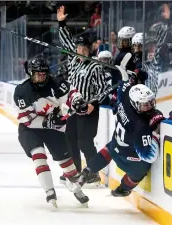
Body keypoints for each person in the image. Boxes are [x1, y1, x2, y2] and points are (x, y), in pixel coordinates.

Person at [13, 57, 89, 207]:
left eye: (44, 74)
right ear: (30, 73)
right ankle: (49, 191)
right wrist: (46, 122)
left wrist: (77, 101)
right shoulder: (22, 91)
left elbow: (71, 93)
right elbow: (25, 119)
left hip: (54, 127)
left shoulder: (55, 83)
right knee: (38, 155)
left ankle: (76, 189)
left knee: (66, 162)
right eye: (38, 74)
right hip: (30, 129)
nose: (41, 76)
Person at [77, 77, 165, 196]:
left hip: (114, 147)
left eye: (151, 102)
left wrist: (133, 79)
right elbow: (149, 156)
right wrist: (155, 131)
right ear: (135, 103)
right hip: (128, 160)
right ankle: (124, 189)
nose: (149, 107)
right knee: (142, 169)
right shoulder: (140, 126)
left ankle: (88, 170)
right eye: (145, 104)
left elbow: (122, 86)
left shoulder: (126, 98)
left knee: (112, 146)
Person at [57, 6, 108, 183]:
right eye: (79, 48)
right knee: (70, 139)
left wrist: (94, 103)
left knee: (85, 142)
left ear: (90, 49)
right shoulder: (73, 59)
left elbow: (103, 88)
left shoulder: (95, 66)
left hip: (89, 110)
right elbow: (66, 42)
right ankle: (76, 172)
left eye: (84, 48)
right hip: (73, 109)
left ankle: (93, 174)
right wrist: (62, 23)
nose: (81, 50)